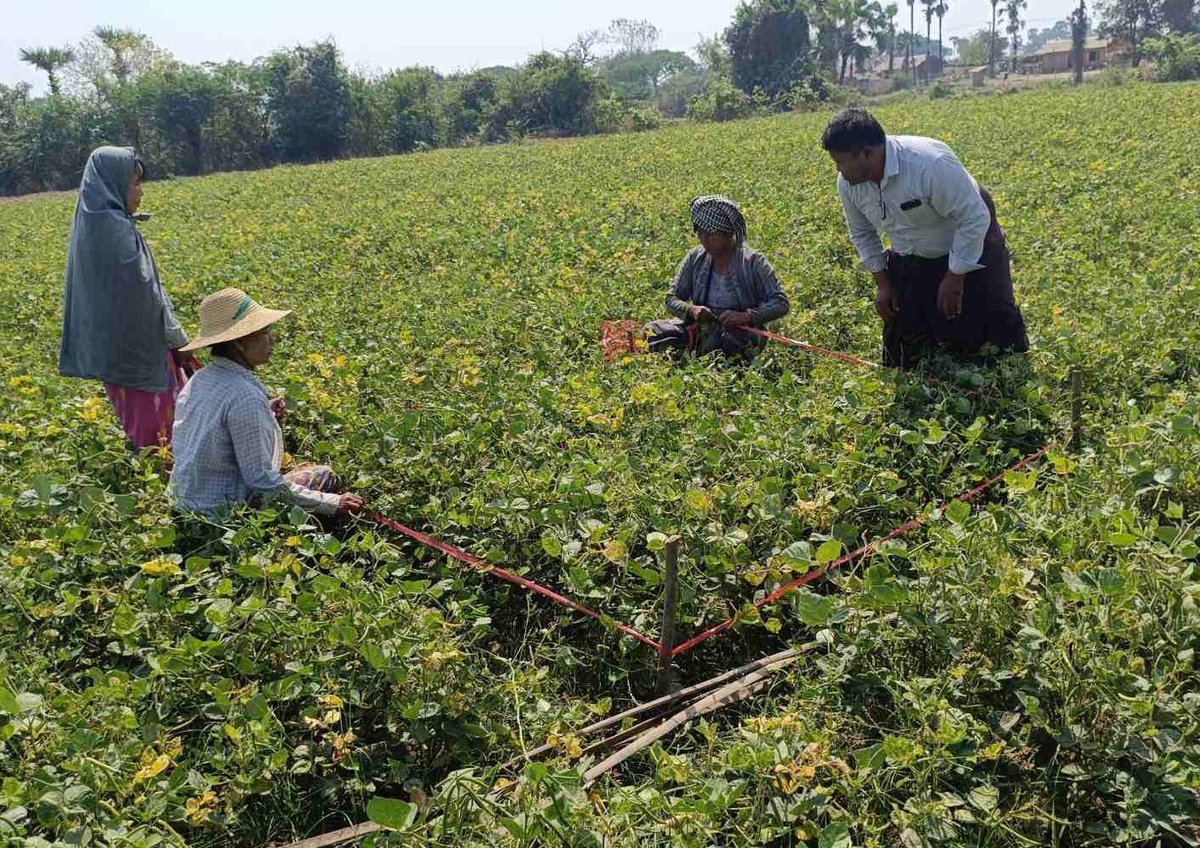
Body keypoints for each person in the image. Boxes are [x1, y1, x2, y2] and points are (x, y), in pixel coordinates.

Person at [822, 108, 1029, 368]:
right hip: (912, 250)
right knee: (904, 343)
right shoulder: (848, 183)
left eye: (841, 162)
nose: (838, 170)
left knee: (995, 334)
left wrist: (955, 276)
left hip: (972, 238)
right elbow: (862, 233)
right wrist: (883, 284)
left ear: (867, 153)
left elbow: (973, 218)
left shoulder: (929, 163)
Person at [169, 287, 364, 518]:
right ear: (240, 342)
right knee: (324, 475)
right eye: (264, 332)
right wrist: (331, 503)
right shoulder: (244, 395)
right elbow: (260, 480)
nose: (271, 339)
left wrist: (265, 414)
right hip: (224, 511)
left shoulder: (199, 378)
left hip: (185, 502)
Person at [59, 146, 201, 449]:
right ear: (112, 185)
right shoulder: (114, 233)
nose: (141, 191)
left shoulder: (96, 223)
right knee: (163, 429)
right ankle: (175, 486)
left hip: (115, 354)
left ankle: (163, 479)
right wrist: (179, 341)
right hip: (138, 353)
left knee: (144, 424)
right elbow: (149, 296)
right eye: (135, 183)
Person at [646, 195, 790, 359]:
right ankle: (696, 351)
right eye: (701, 233)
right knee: (654, 332)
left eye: (713, 235)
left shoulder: (753, 262)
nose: (706, 239)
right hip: (702, 327)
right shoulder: (695, 258)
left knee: (730, 343)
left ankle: (712, 359)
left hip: (741, 331)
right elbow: (671, 299)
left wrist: (746, 316)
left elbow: (780, 302)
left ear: (728, 234)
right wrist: (691, 310)